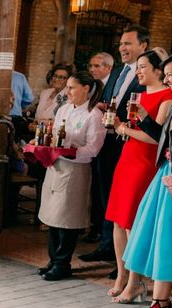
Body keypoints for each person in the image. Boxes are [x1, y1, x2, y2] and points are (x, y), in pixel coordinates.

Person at [123, 50, 172, 308]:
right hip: (167, 174)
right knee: (162, 239)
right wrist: (141, 115)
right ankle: (160, 301)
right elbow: (159, 136)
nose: (168, 78)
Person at [105, 49, 172, 302]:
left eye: (144, 67)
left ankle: (136, 281)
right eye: (138, 68)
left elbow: (154, 137)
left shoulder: (168, 97)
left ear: (159, 70)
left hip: (145, 163)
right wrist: (121, 127)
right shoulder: (140, 95)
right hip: (128, 158)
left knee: (132, 223)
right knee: (116, 219)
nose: (139, 72)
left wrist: (123, 128)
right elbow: (133, 130)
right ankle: (121, 276)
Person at [79, 25, 149, 268]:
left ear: (143, 46)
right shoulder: (118, 72)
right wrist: (104, 108)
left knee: (125, 201)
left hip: (131, 142)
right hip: (107, 140)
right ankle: (107, 246)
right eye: (121, 44)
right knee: (105, 194)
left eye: (128, 43)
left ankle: (126, 259)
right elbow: (111, 101)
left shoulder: (147, 74)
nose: (122, 48)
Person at [36, 71, 107, 281]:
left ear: (86, 88)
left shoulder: (94, 115)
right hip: (56, 166)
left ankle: (62, 263)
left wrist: (70, 151)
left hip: (76, 170)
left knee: (66, 218)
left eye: (72, 87)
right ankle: (52, 259)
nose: (68, 92)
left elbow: (93, 150)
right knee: (51, 215)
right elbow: (56, 136)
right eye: (67, 87)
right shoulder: (64, 109)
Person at [85, 51, 115, 244]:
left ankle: (102, 229)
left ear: (108, 68)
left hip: (108, 140)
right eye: (91, 66)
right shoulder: (93, 85)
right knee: (93, 186)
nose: (92, 69)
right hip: (91, 137)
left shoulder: (112, 84)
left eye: (97, 66)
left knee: (103, 187)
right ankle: (94, 225)